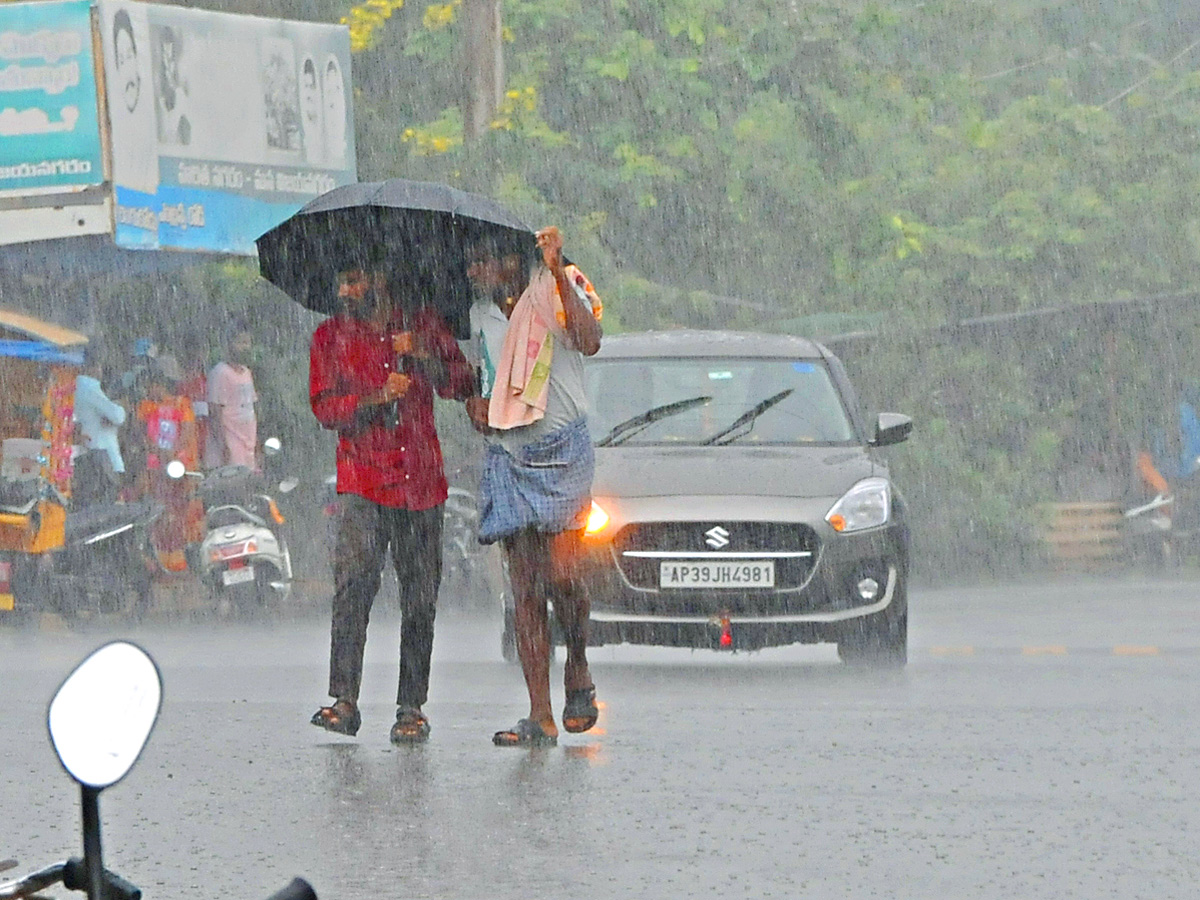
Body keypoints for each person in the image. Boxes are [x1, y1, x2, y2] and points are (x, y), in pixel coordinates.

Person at [309, 266, 477, 744]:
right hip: (362, 479)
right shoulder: (329, 336)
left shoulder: (422, 325)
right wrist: (376, 398)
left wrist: (422, 355)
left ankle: (411, 706)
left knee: (420, 597)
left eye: (355, 279)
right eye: (340, 282)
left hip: (421, 482)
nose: (344, 291)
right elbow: (325, 408)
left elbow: (462, 383)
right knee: (353, 588)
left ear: (382, 279)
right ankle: (344, 700)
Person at [465, 227, 603, 747]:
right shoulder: (481, 316)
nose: (475, 272)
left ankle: (579, 668)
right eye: (471, 264)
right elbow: (488, 380)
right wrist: (475, 406)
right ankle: (539, 714)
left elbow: (589, 341)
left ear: (508, 259)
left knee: (563, 576)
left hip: (563, 450)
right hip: (509, 454)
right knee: (524, 589)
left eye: (483, 261)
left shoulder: (558, 285)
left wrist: (556, 267)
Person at [135, 358, 200, 573]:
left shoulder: (182, 403)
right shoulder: (145, 406)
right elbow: (141, 436)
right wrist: (158, 452)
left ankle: (181, 561)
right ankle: (162, 561)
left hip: (179, 467)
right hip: (155, 467)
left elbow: (188, 431)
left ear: (161, 384)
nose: (149, 390)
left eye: (151, 385)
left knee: (180, 511)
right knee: (159, 512)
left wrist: (173, 454)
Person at [206, 323, 257, 470]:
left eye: (248, 342)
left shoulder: (247, 373)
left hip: (248, 442)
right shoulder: (220, 373)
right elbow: (214, 412)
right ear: (229, 344)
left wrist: (255, 443)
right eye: (241, 342)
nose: (245, 347)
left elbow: (250, 409)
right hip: (230, 444)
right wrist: (223, 446)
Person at [74, 350, 127, 478]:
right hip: (100, 453)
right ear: (94, 367)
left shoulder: (76, 388)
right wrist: (122, 407)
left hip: (88, 451)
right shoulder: (89, 388)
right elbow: (117, 416)